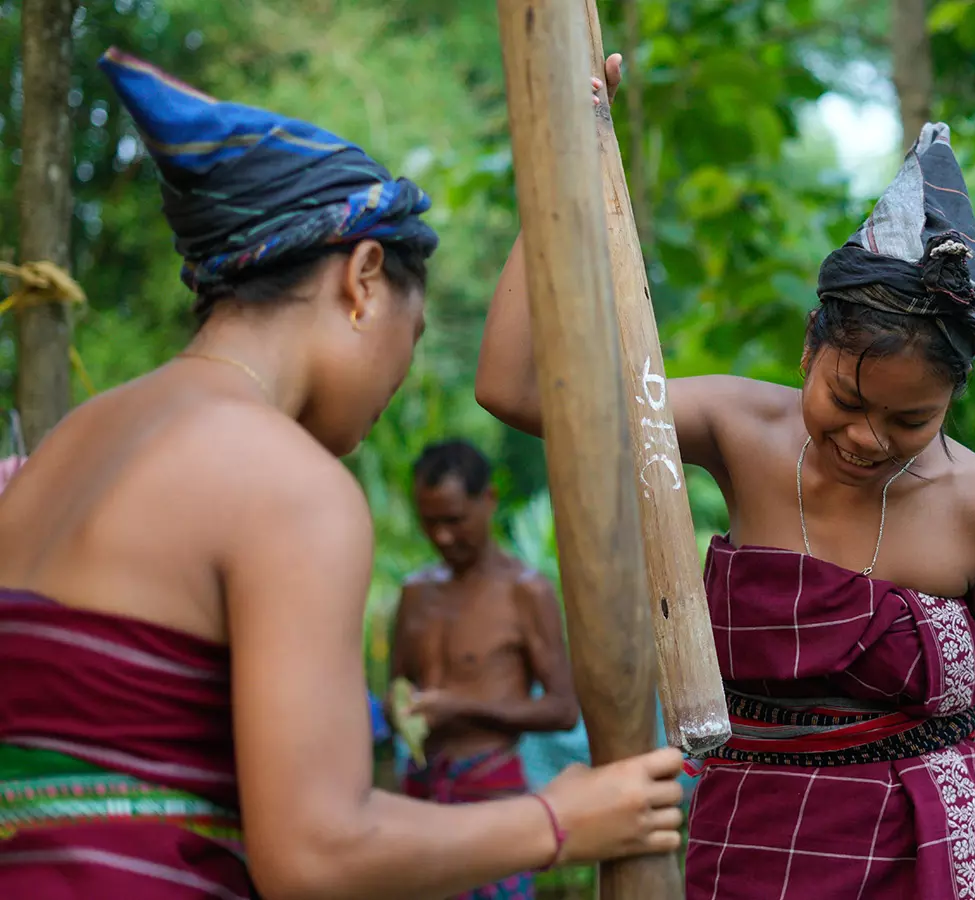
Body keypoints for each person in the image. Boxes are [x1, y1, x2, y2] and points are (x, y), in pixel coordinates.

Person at [0, 49, 683, 899]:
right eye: (416, 326)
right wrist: (558, 821)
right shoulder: (286, 483)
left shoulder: (58, 453)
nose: (399, 372)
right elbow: (316, 850)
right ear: (363, 279)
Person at [478, 57, 975, 900]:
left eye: (911, 422)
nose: (866, 438)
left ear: (952, 399)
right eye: (846, 398)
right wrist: (560, 149)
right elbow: (516, 390)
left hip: (939, 856)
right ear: (811, 344)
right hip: (751, 843)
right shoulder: (737, 427)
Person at [390, 438, 580, 900]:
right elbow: (396, 688)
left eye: (454, 520)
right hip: (420, 792)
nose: (442, 537)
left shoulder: (525, 592)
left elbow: (562, 710)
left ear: (488, 500)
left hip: (492, 790)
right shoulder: (415, 593)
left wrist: (462, 708)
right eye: (429, 522)